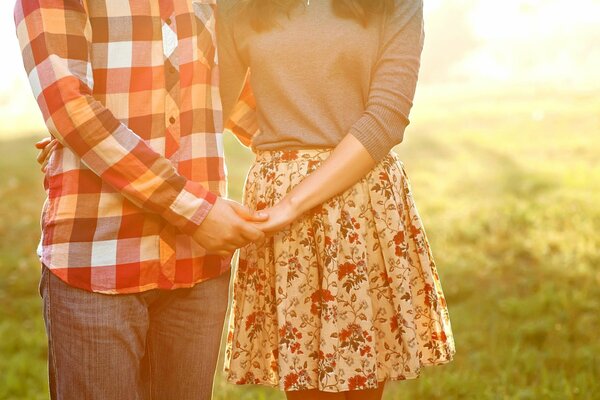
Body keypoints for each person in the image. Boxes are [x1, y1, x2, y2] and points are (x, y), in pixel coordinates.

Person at [14, 0, 266, 399]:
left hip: (196, 268)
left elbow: (243, 101)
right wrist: (196, 212)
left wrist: (339, 154)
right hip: (98, 259)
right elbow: (70, 109)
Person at [217, 0, 456, 399]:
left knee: (360, 384)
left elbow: (387, 116)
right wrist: (284, 147)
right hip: (281, 210)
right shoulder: (238, 7)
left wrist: (293, 200)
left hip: (360, 205)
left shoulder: (394, 4)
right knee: (304, 387)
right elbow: (210, 108)